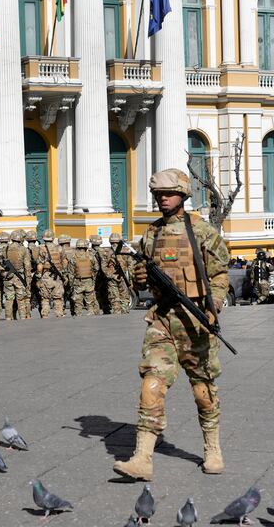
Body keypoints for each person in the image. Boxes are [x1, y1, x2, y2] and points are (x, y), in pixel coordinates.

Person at [113, 168, 229, 481]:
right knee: (151, 385)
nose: (162, 199)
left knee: (203, 389)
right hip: (163, 317)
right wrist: (140, 277)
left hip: (195, 319)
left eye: (168, 193)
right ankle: (142, 458)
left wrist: (214, 307)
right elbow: (143, 273)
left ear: (183, 195)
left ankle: (213, 448)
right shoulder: (150, 234)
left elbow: (219, 276)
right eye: (158, 194)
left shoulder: (202, 232)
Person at [1, 230, 32, 319]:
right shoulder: (24, 250)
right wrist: (28, 281)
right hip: (19, 278)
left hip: (8, 277)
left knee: (9, 300)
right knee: (21, 300)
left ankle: (8, 318)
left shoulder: (5, 249)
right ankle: (22, 317)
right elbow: (27, 267)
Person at [35, 230, 66, 318]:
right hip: (58, 277)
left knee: (45, 298)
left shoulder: (41, 248)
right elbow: (65, 262)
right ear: (53, 238)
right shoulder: (59, 248)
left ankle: (45, 316)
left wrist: (38, 277)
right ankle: (59, 314)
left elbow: (40, 265)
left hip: (46, 276)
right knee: (58, 298)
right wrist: (63, 273)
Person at [103, 233, 134, 314]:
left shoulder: (106, 252)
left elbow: (103, 268)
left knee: (114, 299)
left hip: (112, 279)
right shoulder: (125, 251)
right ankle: (124, 312)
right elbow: (131, 267)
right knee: (124, 298)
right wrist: (130, 280)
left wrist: (112, 276)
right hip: (124, 278)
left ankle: (117, 314)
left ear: (110, 241)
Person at [70, 240, 98, 316]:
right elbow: (96, 268)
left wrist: (71, 283)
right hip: (89, 281)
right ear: (86, 247)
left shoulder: (74, 257)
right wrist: (93, 277)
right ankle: (91, 314)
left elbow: (71, 272)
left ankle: (79, 316)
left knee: (78, 303)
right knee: (90, 302)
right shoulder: (91, 256)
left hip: (78, 282)